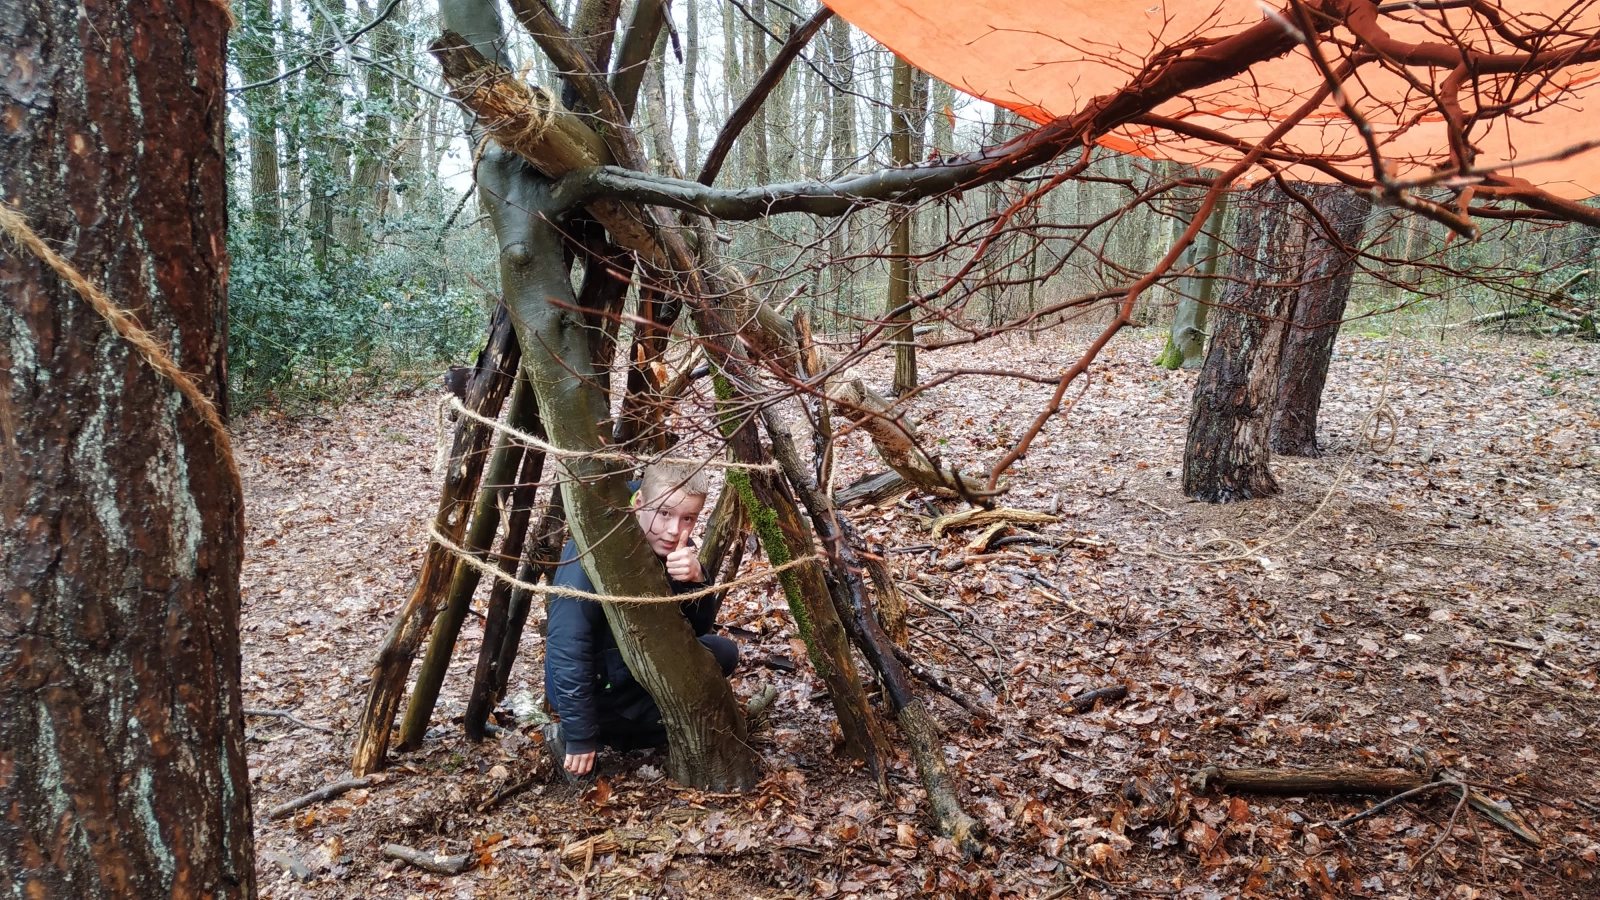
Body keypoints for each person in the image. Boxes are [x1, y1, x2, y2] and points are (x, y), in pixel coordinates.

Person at [542, 462, 738, 781]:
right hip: (602, 684)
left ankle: (640, 730)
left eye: (687, 518)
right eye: (664, 513)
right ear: (638, 504)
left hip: (641, 663)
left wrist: (697, 582)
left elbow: (698, 628)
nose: (675, 530)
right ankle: (606, 735)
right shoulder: (594, 551)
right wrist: (579, 736)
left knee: (722, 656)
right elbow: (567, 646)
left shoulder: (673, 542)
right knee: (702, 714)